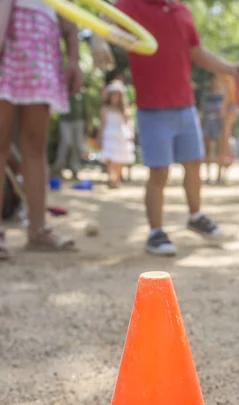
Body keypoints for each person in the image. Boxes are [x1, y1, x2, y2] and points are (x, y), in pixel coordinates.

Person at [112, 0, 239, 256]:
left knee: (194, 162)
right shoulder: (130, 4)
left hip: (185, 106)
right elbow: (106, 19)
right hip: (152, 108)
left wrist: (231, 69)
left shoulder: (181, 10)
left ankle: (195, 215)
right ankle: (156, 232)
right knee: (159, 173)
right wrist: (99, 44)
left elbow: (197, 52)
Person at [0, 0, 82, 259]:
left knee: (35, 147)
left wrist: (74, 59)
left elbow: (70, 16)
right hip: (6, 43)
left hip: (42, 52)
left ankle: (38, 229)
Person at [99, 80, 135, 188]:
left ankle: (117, 179)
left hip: (120, 135)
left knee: (119, 159)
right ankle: (111, 178)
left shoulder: (124, 109)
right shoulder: (105, 109)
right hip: (109, 134)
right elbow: (102, 124)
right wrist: (99, 136)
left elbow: (128, 122)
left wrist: (131, 132)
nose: (115, 97)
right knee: (110, 158)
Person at [52, 91, 85, 179]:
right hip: (65, 121)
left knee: (77, 145)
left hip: (78, 122)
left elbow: (85, 109)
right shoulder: (64, 90)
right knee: (66, 142)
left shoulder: (81, 93)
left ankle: (75, 168)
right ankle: (58, 168)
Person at [201, 75, 225, 184]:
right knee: (207, 151)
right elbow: (202, 110)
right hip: (207, 124)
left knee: (220, 150)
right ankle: (207, 175)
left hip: (219, 124)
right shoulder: (206, 95)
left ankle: (219, 176)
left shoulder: (223, 96)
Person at [217, 74, 239, 182]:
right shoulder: (228, 79)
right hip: (230, 109)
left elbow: (227, 96)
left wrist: (223, 109)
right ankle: (221, 174)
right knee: (224, 140)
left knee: (224, 141)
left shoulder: (226, 79)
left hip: (228, 110)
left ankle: (222, 173)